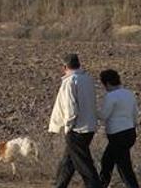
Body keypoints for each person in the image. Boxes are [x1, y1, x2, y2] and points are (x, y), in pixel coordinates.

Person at [49, 53, 102, 188]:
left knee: (84, 165)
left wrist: (68, 127)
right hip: (89, 126)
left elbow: (70, 108)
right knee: (68, 162)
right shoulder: (87, 79)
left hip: (77, 128)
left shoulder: (70, 82)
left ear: (65, 66)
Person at [98, 69, 140, 188]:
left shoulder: (111, 96)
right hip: (130, 132)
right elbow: (135, 114)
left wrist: (92, 111)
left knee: (123, 167)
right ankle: (101, 184)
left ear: (107, 83)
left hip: (117, 135)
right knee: (107, 160)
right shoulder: (129, 93)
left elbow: (104, 115)